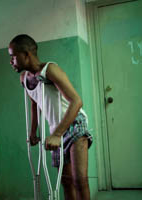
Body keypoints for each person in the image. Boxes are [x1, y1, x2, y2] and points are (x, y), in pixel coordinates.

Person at [8, 34, 92, 200]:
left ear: (26, 55)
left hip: (73, 123)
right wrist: (33, 132)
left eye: (13, 57)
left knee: (79, 180)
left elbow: (76, 101)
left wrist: (57, 135)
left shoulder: (50, 69)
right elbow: (35, 104)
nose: (11, 61)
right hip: (56, 129)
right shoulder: (24, 78)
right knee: (66, 181)